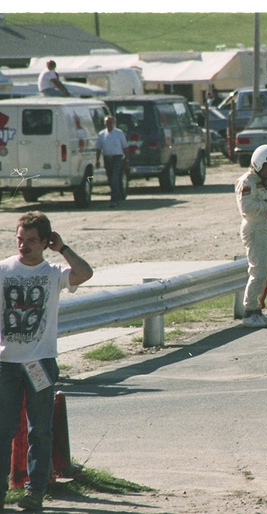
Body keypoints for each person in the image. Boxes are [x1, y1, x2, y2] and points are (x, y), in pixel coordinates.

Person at [0, 211, 93, 512]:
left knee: (39, 431)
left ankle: (35, 493)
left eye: (31, 240)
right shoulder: (4, 270)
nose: (23, 245)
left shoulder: (54, 272)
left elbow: (85, 273)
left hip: (40, 363)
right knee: (3, 430)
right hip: (7, 364)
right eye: (19, 239)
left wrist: (62, 248)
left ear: (44, 242)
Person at [235, 145, 267, 329]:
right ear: (259, 163)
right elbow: (247, 208)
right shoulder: (247, 181)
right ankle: (249, 313)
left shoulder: (264, 182)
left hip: (266, 229)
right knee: (258, 272)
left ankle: (257, 310)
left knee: (266, 272)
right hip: (255, 229)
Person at [96, 115, 129, 208]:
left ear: (113, 123)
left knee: (115, 178)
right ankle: (118, 194)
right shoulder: (102, 134)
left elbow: (125, 147)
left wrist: (126, 159)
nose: (108, 124)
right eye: (106, 122)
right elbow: (98, 148)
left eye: (110, 122)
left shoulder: (119, 133)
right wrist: (97, 160)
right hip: (107, 158)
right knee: (111, 179)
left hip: (117, 158)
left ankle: (114, 200)